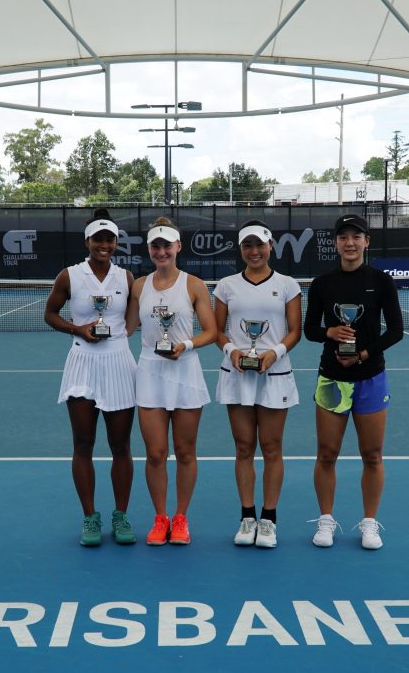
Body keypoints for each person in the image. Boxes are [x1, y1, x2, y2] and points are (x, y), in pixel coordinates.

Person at [303, 214, 403, 550]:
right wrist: (329, 332)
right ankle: (326, 521)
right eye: (343, 237)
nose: (349, 243)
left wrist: (362, 355)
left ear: (366, 241)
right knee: (326, 454)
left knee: (372, 455)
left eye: (356, 237)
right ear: (335, 243)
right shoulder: (322, 284)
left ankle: (370, 523)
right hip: (332, 381)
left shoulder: (382, 281)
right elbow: (310, 330)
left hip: (371, 379)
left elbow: (396, 331)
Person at [44, 209, 137, 547]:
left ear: (115, 243)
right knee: (83, 444)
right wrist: (78, 329)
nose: (104, 245)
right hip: (82, 362)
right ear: (87, 241)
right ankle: (90, 517)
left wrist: (121, 336)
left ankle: (121, 515)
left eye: (109, 239)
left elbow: (133, 317)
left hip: (118, 364)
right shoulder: (69, 276)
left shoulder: (126, 279)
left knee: (121, 445)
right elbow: (49, 314)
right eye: (98, 239)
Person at [127, 216, 216, 546]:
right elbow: (127, 327)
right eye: (156, 246)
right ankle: (160, 517)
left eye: (167, 245)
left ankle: (181, 518)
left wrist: (186, 345)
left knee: (185, 451)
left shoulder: (194, 285)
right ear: (150, 249)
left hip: (185, 369)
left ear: (178, 247)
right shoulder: (139, 285)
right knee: (155, 453)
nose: (162, 251)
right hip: (150, 369)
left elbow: (211, 331)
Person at [213, 221, 302, 549]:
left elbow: (295, 330)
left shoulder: (288, 285)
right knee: (244, 447)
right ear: (241, 249)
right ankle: (247, 517)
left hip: (274, 374)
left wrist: (274, 354)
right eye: (247, 246)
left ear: (270, 246)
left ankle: (269, 520)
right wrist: (232, 350)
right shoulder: (225, 286)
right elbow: (218, 330)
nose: (254, 252)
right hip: (237, 374)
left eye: (259, 245)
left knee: (272, 447)